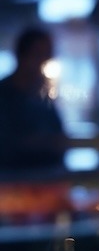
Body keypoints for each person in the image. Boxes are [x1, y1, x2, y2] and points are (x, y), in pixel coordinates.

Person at [0, 27, 67, 171]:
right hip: (10, 185)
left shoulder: (42, 96)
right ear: (21, 56)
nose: (44, 61)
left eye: (48, 55)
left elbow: (59, 136)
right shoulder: (4, 95)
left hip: (48, 182)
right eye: (38, 54)